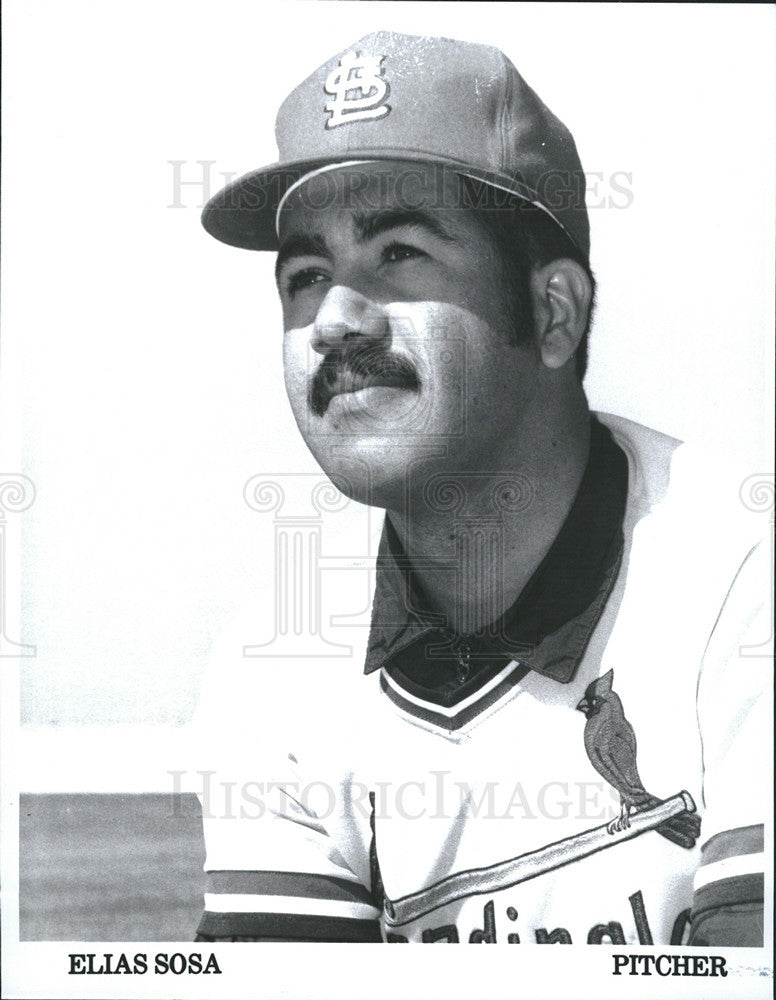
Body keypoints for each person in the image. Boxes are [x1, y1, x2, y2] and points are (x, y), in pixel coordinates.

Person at [192, 31, 767, 945]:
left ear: (553, 312)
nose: (334, 319)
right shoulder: (274, 659)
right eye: (305, 276)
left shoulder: (745, 581)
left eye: (400, 254)